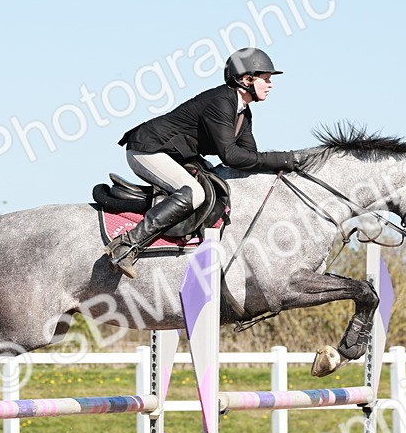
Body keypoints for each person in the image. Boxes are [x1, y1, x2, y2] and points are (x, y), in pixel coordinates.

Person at [106, 47, 304, 277]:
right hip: (148, 149)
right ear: (246, 79)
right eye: (266, 79)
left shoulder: (243, 113)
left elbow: (248, 157)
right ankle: (126, 245)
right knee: (194, 193)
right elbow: (230, 155)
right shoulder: (221, 102)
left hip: (175, 154)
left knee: (218, 181)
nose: (270, 85)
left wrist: (281, 165)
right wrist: (285, 158)